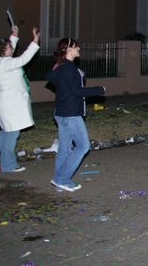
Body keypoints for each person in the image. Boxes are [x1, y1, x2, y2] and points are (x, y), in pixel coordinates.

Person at [45, 38, 106, 191]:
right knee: (83, 146)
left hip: (61, 112)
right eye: (76, 46)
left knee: (64, 149)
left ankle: (60, 183)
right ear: (69, 49)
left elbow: (55, 79)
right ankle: (62, 178)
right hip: (70, 114)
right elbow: (77, 91)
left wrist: (78, 75)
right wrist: (99, 89)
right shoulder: (68, 67)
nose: (79, 48)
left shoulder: (62, 66)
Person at [0, 25, 40, 172]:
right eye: (10, 47)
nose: (12, 48)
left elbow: (10, 52)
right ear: (4, 50)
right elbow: (24, 59)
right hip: (9, 104)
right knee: (12, 134)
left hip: (5, 103)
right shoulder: (5, 64)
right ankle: (8, 165)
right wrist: (35, 42)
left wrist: (14, 36)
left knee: (6, 131)